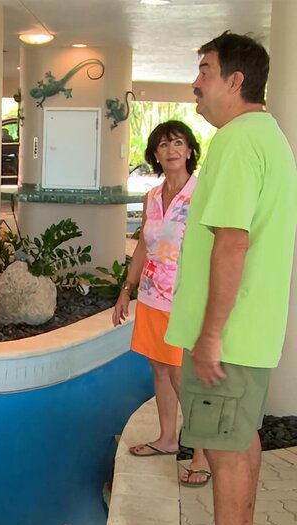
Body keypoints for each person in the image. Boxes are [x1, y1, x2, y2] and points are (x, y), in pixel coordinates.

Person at [158, 32, 297, 525]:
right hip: (249, 332)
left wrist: (210, 333)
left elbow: (232, 242)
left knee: (225, 447)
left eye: (206, 70)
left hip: (229, 337)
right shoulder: (268, 135)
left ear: (236, 80)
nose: (196, 82)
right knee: (241, 438)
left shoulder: (240, 141)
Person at [113, 121, 210, 487]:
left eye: (178, 143)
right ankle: (168, 439)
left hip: (183, 301)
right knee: (159, 370)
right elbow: (143, 246)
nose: (171, 150)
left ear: (189, 151)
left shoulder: (201, 193)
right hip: (152, 299)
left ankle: (201, 454)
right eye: (163, 144)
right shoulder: (152, 196)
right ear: (155, 153)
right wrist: (127, 289)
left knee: (182, 377)